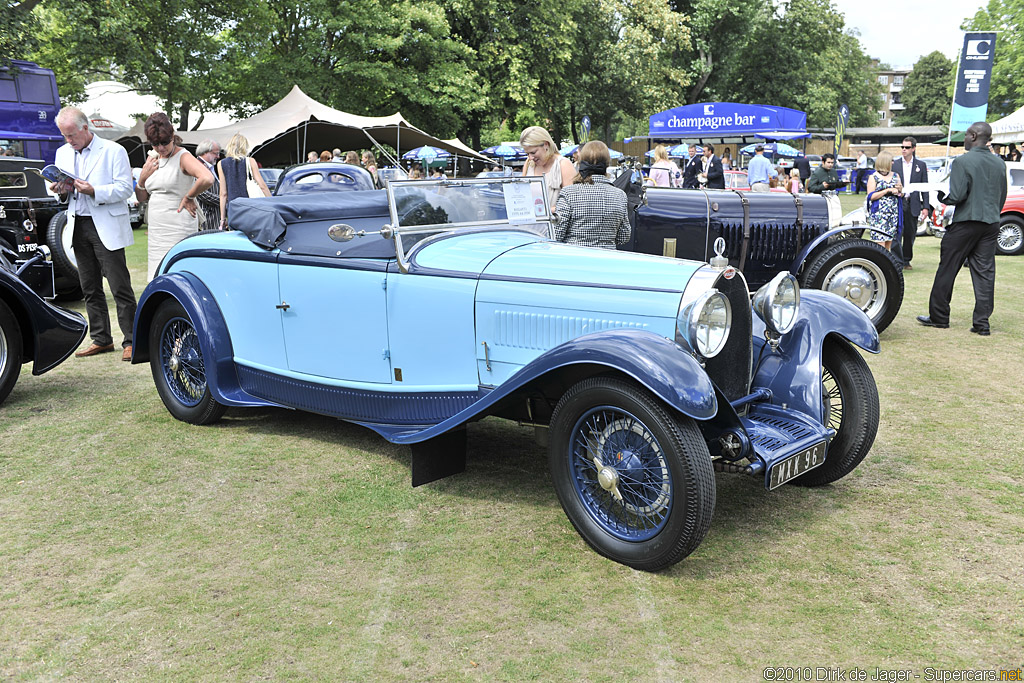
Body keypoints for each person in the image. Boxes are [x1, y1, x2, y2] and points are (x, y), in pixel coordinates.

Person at [52, 107, 138, 361]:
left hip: (105, 224)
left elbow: (124, 189)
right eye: (64, 136)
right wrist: (60, 190)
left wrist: (94, 190)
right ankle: (101, 339)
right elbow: (60, 193)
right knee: (89, 287)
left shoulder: (114, 150)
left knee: (119, 285)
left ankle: (132, 339)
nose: (69, 141)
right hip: (77, 224)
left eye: (71, 135)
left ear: (85, 128)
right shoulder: (62, 153)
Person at [918, 122, 1007, 335]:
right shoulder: (999, 163)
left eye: (966, 135)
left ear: (974, 136)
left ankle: (939, 317)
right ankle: (982, 324)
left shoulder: (962, 161)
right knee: (985, 273)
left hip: (966, 221)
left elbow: (957, 196)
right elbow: (1001, 196)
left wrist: (942, 197)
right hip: (991, 222)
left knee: (948, 267)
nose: (964, 139)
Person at [135, 112, 212, 281]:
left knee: (179, 274)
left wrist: (190, 196)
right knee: (159, 274)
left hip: (178, 225)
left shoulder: (183, 156)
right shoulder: (152, 159)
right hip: (156, 228)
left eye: (164, 142)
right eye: (155, 144)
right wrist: (142, 178)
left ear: (172, 136)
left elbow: (207, 178)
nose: (161, 148)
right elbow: (141, 197)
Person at [554, 140, 630, 250]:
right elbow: (624, 237)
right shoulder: (620, 195)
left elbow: (557, 234)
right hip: (608, 260)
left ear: (581, 161)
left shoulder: (569, 193)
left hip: (574, 258)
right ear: (607, 163)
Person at [890, 137, 929, 269]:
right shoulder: (894, 164)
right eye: (902, 147)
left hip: (913, 203)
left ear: (913, 148)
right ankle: (896, 260)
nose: (904, 150)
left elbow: (925, 187)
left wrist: (926, 207)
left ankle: (906, 260)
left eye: (907, 147)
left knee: (910, 233)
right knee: (896, 233)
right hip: (898, 202)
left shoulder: (921, 165)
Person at [217, 132, 270, 229]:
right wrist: (272, 202)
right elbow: (262, 185)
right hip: (250, 207)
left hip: (233, 209)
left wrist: (222, 219)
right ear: (244, 146)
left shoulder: (221, 164)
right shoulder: (250, 161)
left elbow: (223, 194)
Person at [519, 125, 576, 211]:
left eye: (533, 152)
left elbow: (573, 204)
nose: (530, 157)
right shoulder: (529, 164)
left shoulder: (563, 164)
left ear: (546, 145)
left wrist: (544, 211)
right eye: (527, 154)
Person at [864, 151, 902, 252]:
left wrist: (900, 190)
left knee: (888, 245)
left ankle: (887, 266)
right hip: (879, 214)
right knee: (879, 245)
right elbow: (871, 196)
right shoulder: (874, 177)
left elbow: (901, 194)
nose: (893, 163)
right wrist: (887, 191)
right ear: (885, 161)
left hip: (892, 213)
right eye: (891, 160)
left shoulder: (895, 175)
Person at [194, 138, 222, 231]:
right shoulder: (196, 166)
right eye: (216, 153)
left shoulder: (210, 167)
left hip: (214, 218)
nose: (218, 156)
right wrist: (223, 200)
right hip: (206, 218)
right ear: (205, 152)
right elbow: (200, 192)